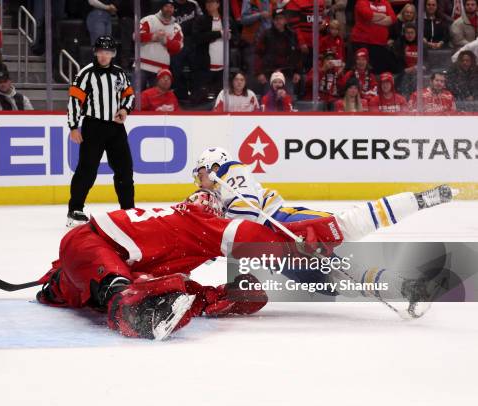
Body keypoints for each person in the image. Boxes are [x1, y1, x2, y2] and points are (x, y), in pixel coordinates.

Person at [35, 189, 345, 340]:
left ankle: (212, 298)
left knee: (164, 283)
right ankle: (132, 313)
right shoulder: (198, 220)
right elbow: (244, 235)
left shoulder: (178, 231)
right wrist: (295, 247)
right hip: (89, 243)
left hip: (96, 259)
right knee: (120, 285)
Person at [192, 147, 456, 244]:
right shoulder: (222, 186)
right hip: (279, 237)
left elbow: (247, 214)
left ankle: (421, 199)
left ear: (215, 165)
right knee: (327, 275)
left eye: (201, 171)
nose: (198, 179)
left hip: (286, 223)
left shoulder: (230, 171)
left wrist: (220, 223)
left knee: (349, 225)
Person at [67, 36, 136, 228]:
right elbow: (74, 101)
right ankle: (75, 209)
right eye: (101, 52)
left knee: (125, 170)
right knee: (86, 170)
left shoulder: (120, 74)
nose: (104, 56)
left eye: (108, 52)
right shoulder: (85, 74)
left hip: (116, 128)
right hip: (93, 127)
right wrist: (73, 126)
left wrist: (124, 109)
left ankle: (128, 211)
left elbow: (129, 95)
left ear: (113, 54)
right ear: (95, 53)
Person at [254, 9, 302, 97]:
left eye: (281, 18)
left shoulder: (292, 35)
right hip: (269, 74)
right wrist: (259, 73)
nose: (278, 21)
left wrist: (297, 72)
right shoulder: (266, 35)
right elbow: (258, 54)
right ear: (273, 20)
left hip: (288, 74)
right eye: (276, 19)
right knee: (268, 102)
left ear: (285, 20)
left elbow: (297, 54)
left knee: (287, 101)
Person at [137, 0, 184, 89]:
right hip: (142, 66)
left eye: (171, 7)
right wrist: (154, 36)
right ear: (161, 7)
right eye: (166, 6)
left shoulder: (176, 27)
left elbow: (178, 47)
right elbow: (136, 36)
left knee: (156, 100)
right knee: (134, 97)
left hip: (161, 70)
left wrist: (166, 41)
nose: (169, 9)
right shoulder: (148, 20)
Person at [350, 0, 397, 74]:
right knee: (361, 70)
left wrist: (373, 20)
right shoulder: (362, 1)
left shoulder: (385, 2)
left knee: (378, 72)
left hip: (380, 44)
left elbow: (393, 18)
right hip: (362, 42)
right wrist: (383, 16)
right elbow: (368, 15)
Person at [192, 0, 225, 103]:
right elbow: (196, 38)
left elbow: (236, 37)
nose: (209, 4)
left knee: (220, 100)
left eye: (212, 2)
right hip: (204, 66)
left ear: (218, 4)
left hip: (222, 67)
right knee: (200, 98)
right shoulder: (201, 20)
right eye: (207, 2)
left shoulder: (226, 20)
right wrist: (218, 34)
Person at [171, 0, 203, 101]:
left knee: (196, 69)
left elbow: (201, 18)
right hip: (176, 42)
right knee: (176, 70)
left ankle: (196, 95)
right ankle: (180, 94)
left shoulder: (193, 4)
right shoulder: (170, 4)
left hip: (191, 41)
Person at [284, 0, 327, 69]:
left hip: (317, 43)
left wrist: (325, 22)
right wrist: (301, 42)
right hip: (302, 46)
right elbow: (293, 26)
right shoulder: (294, 2)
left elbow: (324, 16)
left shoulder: (321, 1)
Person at [393, 23, 421, 97]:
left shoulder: (421, 44)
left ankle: (416, 97)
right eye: (407, 33)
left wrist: (422, 66)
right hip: (403, 71)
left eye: (412, 33)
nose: (410, 35)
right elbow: (395, 61)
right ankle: (404, 97)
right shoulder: (399, 44)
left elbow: (427, 60)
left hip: (418, 71)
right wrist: (404, 70)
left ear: (416, 34)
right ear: (404, 33)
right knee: (405, 76)